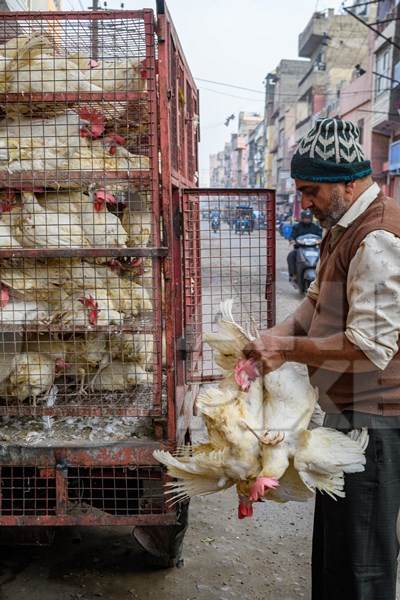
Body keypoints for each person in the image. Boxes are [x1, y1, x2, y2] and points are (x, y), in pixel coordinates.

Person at [244, 118, 400, 600]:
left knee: (362, 565)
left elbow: (368, 345)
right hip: (343, 412)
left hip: (374, 421)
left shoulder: (376, 236)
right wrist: (278, 333)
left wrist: (287, 349)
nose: (304, 202)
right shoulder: (341, 227)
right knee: (335, 553)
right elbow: (315, 302)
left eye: (311, 191)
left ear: (348, 182)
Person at [287, 209, 322, 281]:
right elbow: (292, 235)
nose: (307, 220)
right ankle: (293, 274)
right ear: (302, 218)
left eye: (308, 218)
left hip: (314, 249)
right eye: (305, 218)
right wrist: (292, 240)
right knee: (291, 256)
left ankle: (323, 275)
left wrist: (322, 240)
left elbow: (320, 235)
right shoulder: (297, 227)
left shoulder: (315, 227)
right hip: (300, 248)